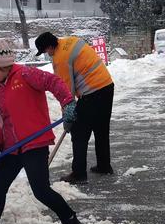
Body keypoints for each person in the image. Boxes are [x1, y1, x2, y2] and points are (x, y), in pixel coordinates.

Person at [0, 40, 82, 224]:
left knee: (40, 190)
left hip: (33, 144)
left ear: (1, 65)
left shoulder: (26, 75)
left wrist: (68, 103)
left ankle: (70, 220)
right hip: (11, 148)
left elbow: (54, 82)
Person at [35, 32, 114, 184]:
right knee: (101, 129)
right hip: (107, 86)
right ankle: (104, 166)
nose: (47, 54)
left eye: (46, 51)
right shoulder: (70, 41)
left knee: (78, 134)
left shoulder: (60, 59)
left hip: (92, 93)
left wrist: (68, 116)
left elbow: (65, 91)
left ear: (50, 46)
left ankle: (78, 174)